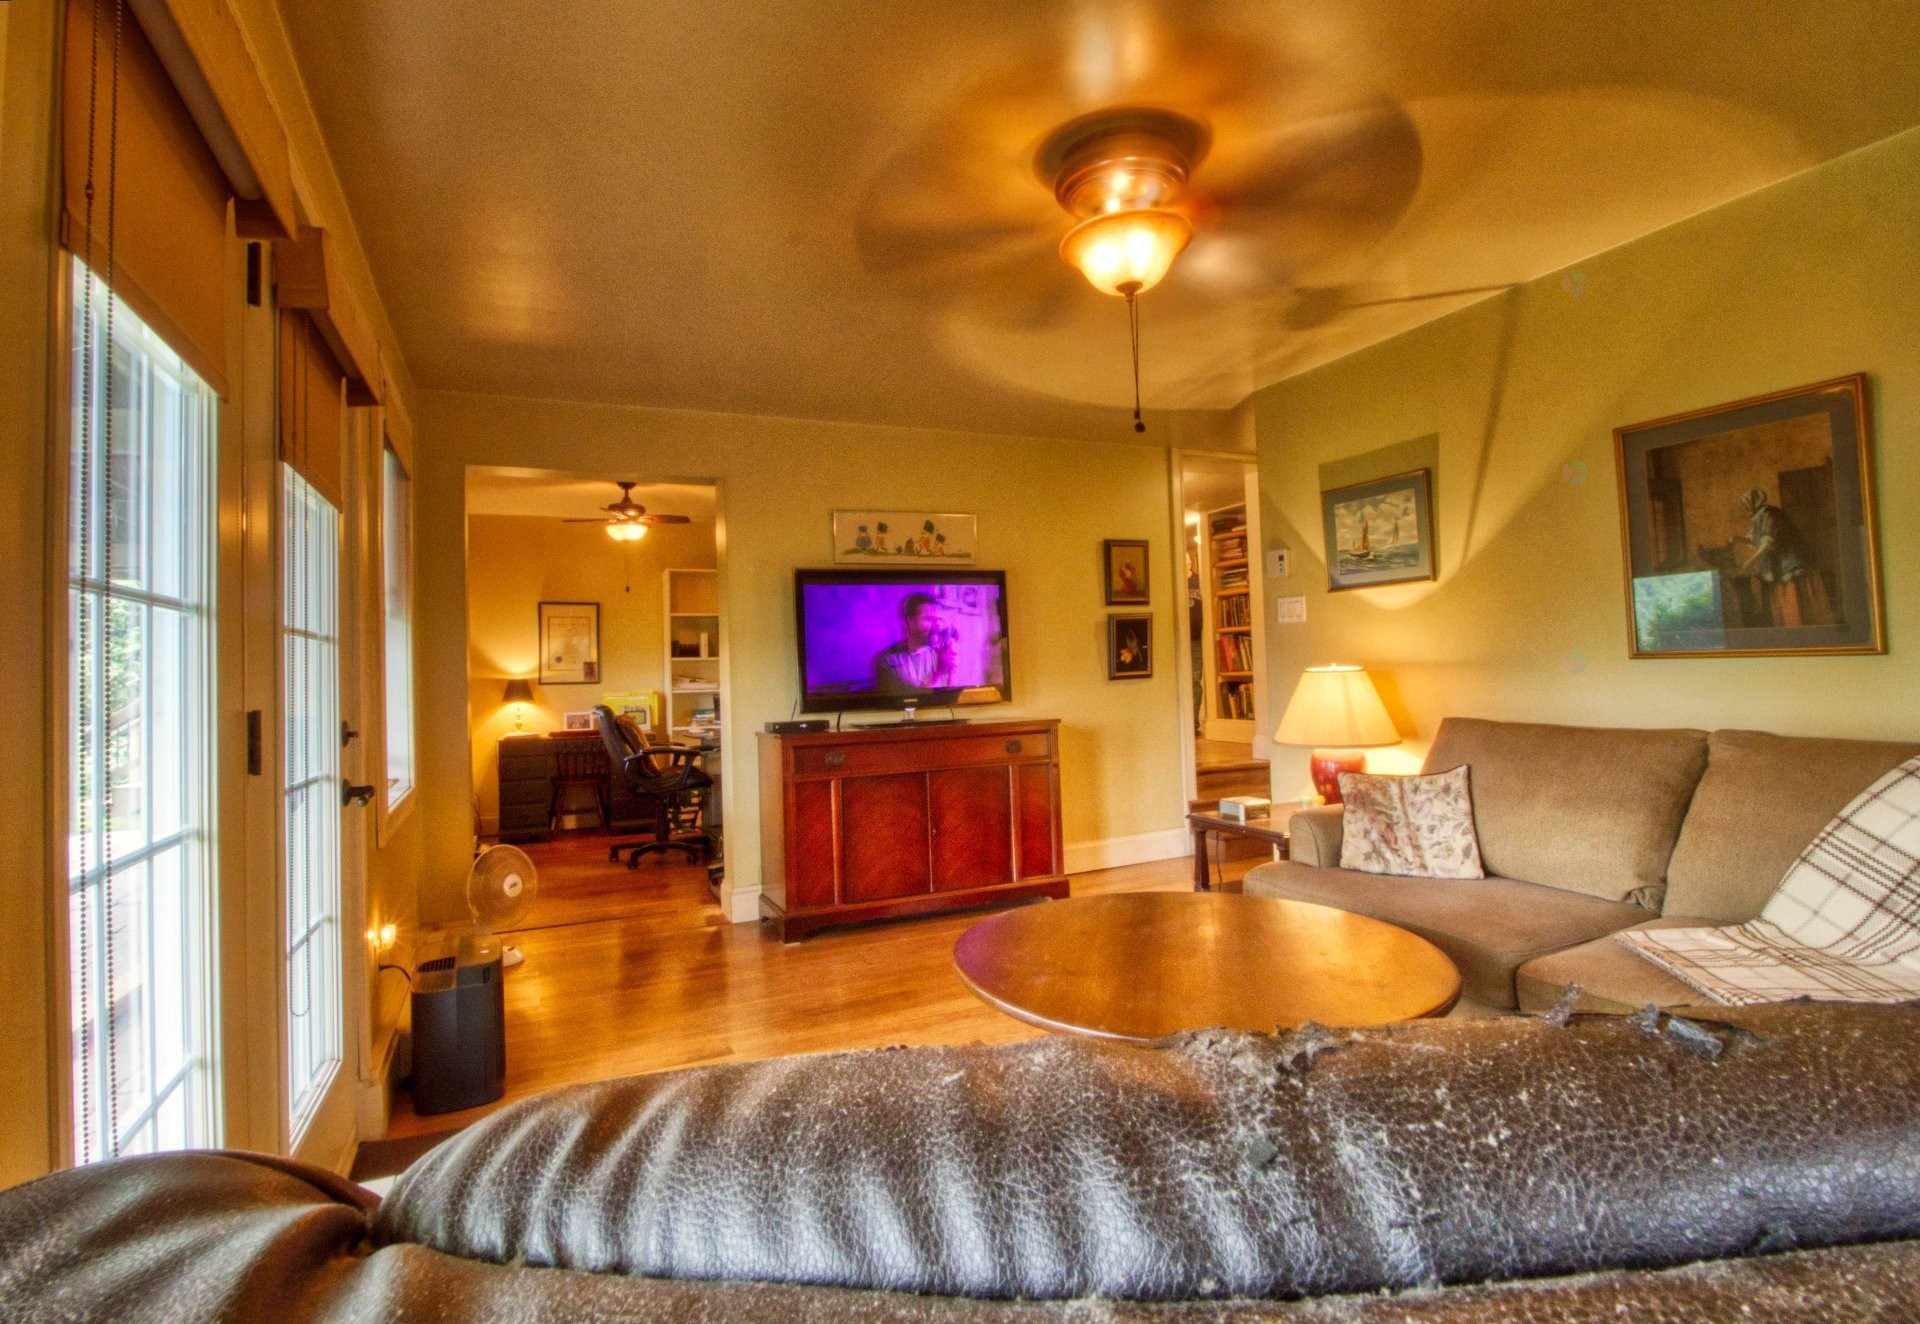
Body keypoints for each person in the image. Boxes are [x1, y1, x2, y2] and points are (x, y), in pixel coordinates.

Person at [1734, 487, 1834, 628]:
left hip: (1791, 560)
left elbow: (1768, 541)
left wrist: (1751, 560)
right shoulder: (1760, 516)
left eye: (1747, 503)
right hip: (1781, 563)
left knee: (1795, 594)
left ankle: (1800, 627)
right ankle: (1794, 626)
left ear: (1754, 502)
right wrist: (1736, 539)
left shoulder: (1768, 514)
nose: (1745, 507)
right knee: (1786, 595)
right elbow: (1755, 537)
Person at [873, 593, 959, 693]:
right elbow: (910, 698)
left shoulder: (938, 654)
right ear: (907, 621)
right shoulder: (888, 660)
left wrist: (952, 672)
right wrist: (938, 673)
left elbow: (949, 696)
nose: (936, 626)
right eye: (928, 619)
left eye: (936, 620)